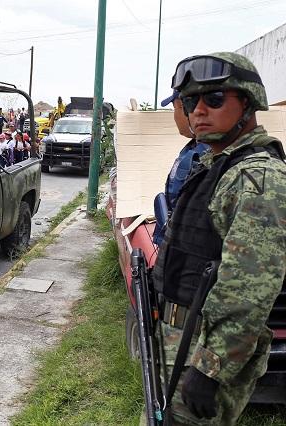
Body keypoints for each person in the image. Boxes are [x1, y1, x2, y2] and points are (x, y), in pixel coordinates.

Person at [151, 52, 286, 424]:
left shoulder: (258, 179)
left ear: (248, 102)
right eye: (191, 101)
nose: (198, 111)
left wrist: (209, 370)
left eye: (213, 99)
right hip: (181, 337)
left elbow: (248, 290)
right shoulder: (218, 164)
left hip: (203, 350)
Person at [152, 89, 209, 245]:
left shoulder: (204, 157)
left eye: (175, 109)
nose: (175, 116)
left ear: (187, 110)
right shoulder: (193, 148)